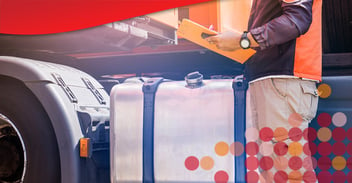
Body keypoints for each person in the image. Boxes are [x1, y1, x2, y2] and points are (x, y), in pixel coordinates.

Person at [206, 0, 322, 182]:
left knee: (290, 174)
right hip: (276, 82)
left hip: (283, 81)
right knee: (275, 174)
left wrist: (242, 41)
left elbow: (296, 19)